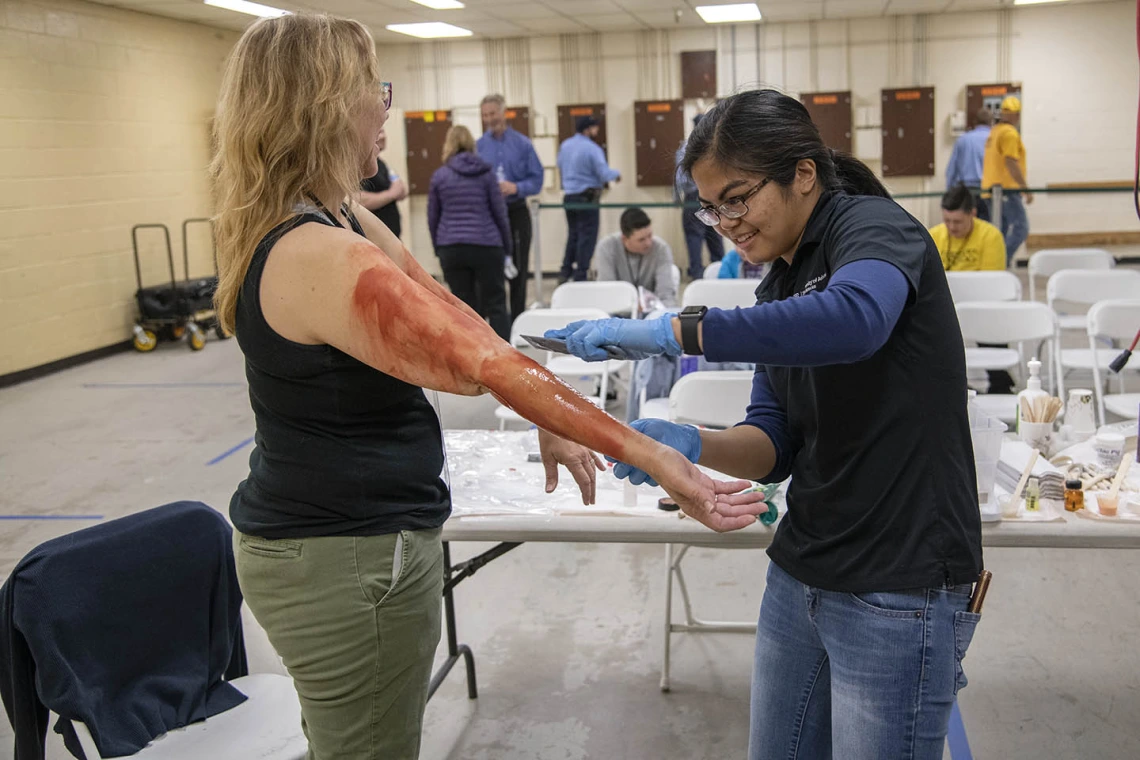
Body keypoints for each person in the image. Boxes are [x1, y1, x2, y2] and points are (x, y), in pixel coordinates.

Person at [210, 14, 763, 760]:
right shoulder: (317, 252)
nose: (386, 108)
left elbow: (449, 313)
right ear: (325, 104)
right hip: (341, 559)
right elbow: (483, 364)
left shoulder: (332, 215)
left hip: (348, 543)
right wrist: (660, 459)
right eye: (374, 88)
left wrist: (539, 407)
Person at [547, 89, 983, 760]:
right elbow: (774, 443)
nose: (723, 222)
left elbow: (855, 320)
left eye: (737, 198)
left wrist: (674, 332)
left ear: (802, 174)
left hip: (900, 579)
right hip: (803, 567)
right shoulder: (777, 286)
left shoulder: (873, 229)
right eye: (710, 205)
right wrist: (691, 444)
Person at [428, 124, 512, 340]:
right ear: (471, 144)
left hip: (452, 247)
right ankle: (505, 360)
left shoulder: (439, 176)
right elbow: (499, 213)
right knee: (496, 304)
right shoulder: (486, 174)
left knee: (462, 307)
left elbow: (433, 217)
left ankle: (469, 360)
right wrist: (507, 247)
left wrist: (439, 247)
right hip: (487, 245)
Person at [478, 94, 545, 324]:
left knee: (519, 267)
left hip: (516, 212)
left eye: (493, 113)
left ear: (503, 113)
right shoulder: (479, 146)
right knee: (491, 269)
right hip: (490, 217)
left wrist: (515, 187)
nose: (489, 119)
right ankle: (496, 324)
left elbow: (537, 180)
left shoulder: (523, 144)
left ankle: (517, 322)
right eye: (485, 115)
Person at [557, 115, 620, 282]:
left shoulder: (565, 146)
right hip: (587, 198)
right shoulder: (592, 149)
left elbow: (560, 167)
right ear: (588, 129)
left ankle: (565, 272)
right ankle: (581, 276)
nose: (597, 130)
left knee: (573, 235)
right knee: (587, 237)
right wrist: (617, 174)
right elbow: (604, 173)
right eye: (595, 127)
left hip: (569, 197)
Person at [594, 207, 678, 307]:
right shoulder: (607, 247)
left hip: (652, 312)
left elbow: (666, 296)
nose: (648, 243)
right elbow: (607, 292)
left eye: (650, 235)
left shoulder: (661, 249)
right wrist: (631, 306)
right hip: (618, 311)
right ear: (625, 239)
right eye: (641, 240)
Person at [982, 95, 1031, 265]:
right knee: (1021, 228)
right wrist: (1025, 188)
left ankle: (995, 266)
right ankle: (999, 263)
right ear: (1017, 115)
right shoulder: (1009, 133)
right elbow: (1010, 162)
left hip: (991, 190)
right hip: (1006, 190)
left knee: (999, 233)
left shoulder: (994, 132)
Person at [677, 114, 724, 278]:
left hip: (693, 197)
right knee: (716, 233)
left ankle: (697, 275)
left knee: (694, 237)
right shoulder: (717, 145)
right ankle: (720, 274)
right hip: (714, 197)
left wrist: (678, 199)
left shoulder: (686, 147)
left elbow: (680, 179)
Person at [929, 184, 1006, 272]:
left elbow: (991, 280)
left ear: (973, 214)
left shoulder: (991, 236)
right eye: (947, 220)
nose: (952, 227)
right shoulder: (933, 236)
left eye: (958, 221)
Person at [945, 108, 993, 220]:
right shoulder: (995, 139)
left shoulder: (963, 140)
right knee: (988, 226)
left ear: (975, 122)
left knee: (968, 225)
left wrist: (950, 194)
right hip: (989, 191)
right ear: (991, 122)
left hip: (966, 191)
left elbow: (951, 171)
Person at [358, 127, 406, 237]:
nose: (383, 137)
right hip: (375, 240)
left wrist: (398, 191)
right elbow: (359, 200)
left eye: (384, 132)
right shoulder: (363, 166)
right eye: (379, 132)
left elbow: (400, 188)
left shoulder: (381, 164)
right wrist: (391, 194)